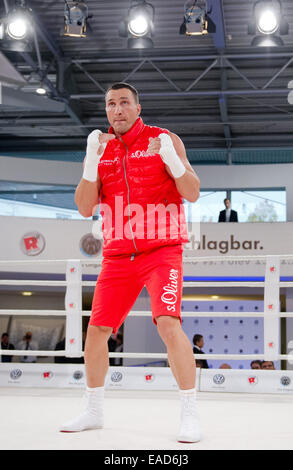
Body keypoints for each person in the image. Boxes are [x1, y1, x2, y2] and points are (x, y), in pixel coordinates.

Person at [60, 82, 201, 443]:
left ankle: (190, 413)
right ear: (106, 111)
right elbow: (84, 207)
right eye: (111, 104)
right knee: (96, 334)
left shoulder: (163, 139)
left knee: (169, 324)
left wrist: (170, 158)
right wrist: (90, 164)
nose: (117, 109)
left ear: (138, 108)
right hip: (119, 255)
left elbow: (192, 192)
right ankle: (93, 410)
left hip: (162, 251)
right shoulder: (100, 147)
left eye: (124, 103)